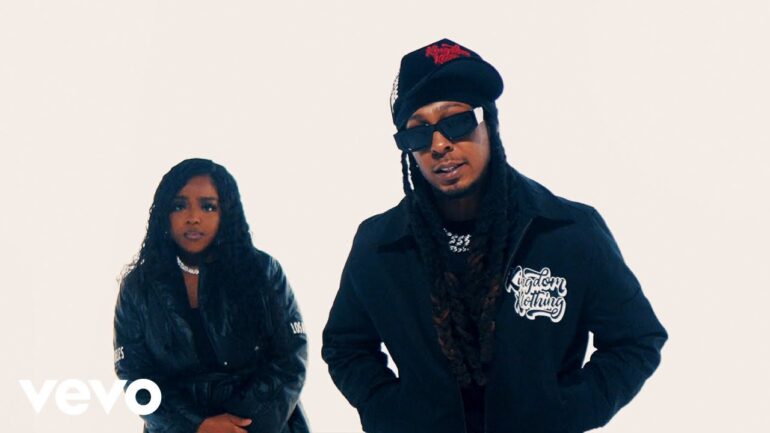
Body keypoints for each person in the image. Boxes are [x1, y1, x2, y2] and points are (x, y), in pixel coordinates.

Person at [322, 39, 668, 433]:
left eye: (456, 121)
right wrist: (391, 415)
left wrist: (564, 413)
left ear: (490, 122)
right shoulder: (379, 245)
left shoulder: (568, 231)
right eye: (418, 133)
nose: (440, 145)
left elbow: (636, 339)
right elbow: (346, 346)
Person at [114, 158, 309, 433]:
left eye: (208, 206)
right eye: (179, 205)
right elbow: (135, 376)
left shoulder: (262, 271)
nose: (193, 217)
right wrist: (196, 426)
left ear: (226, 212)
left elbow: (290, 361)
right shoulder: (138, 287)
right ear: (164, 214)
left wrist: (240, 427)